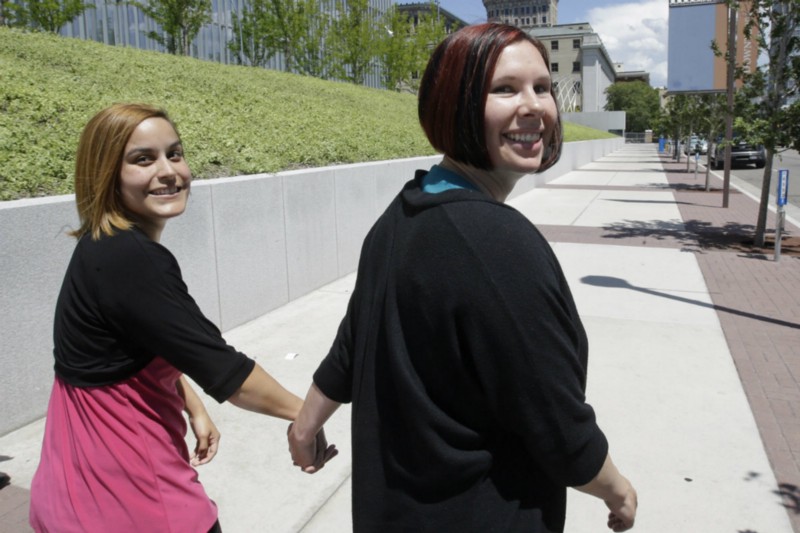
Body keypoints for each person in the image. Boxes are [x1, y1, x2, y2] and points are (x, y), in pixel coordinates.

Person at [288, 23, 637, 532]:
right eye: (504, 89)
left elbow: (355, 337)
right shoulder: (497, 242)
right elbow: (556, 421)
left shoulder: (404, 211)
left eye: (542, 87)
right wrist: (617, 490)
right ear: (454, 104)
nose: (534, 105)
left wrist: (306, 422)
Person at [29, 103, 335, 533]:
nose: (168, 170)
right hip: (134, 502)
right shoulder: (134, 261)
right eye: (142, 159)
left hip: (70, 494)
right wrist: (307, 420)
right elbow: (228, 373)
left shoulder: (101, 247)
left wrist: (191, 404)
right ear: (106, 174)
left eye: (174, 153)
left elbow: (141, 345)